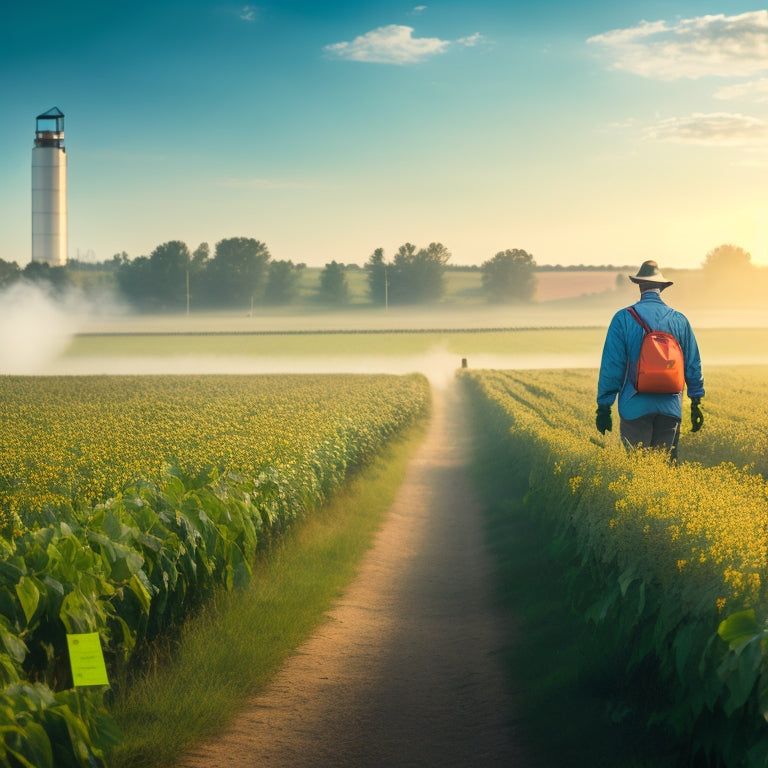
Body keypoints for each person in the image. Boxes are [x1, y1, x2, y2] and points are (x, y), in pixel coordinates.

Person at [596, 260, 704, 461]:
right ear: (661, 288)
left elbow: (613, 365)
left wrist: (604, 406)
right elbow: (692, 363)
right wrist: (696, 401)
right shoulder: (679, 320)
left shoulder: (623, 318)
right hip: (670, 407)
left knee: (638, 469)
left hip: (635, 406)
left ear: (639, 285)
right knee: (664, 470)